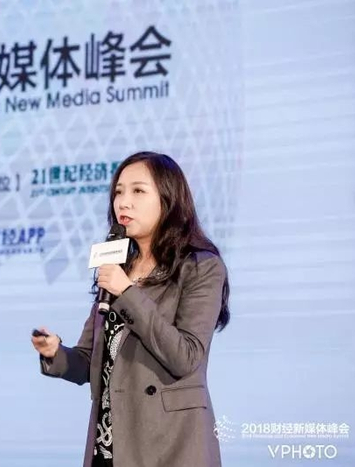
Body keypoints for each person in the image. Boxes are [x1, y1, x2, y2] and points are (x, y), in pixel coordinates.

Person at [32, 151, 230, 467]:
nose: (124, 202)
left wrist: (126, 292)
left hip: (169, 444)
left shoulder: (201, 266)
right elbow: (89, 362)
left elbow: (186, 357)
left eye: (138, 191)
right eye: (118, 192)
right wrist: (54, 352)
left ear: (168, 199)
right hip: (111, 442)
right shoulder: (117, 266)